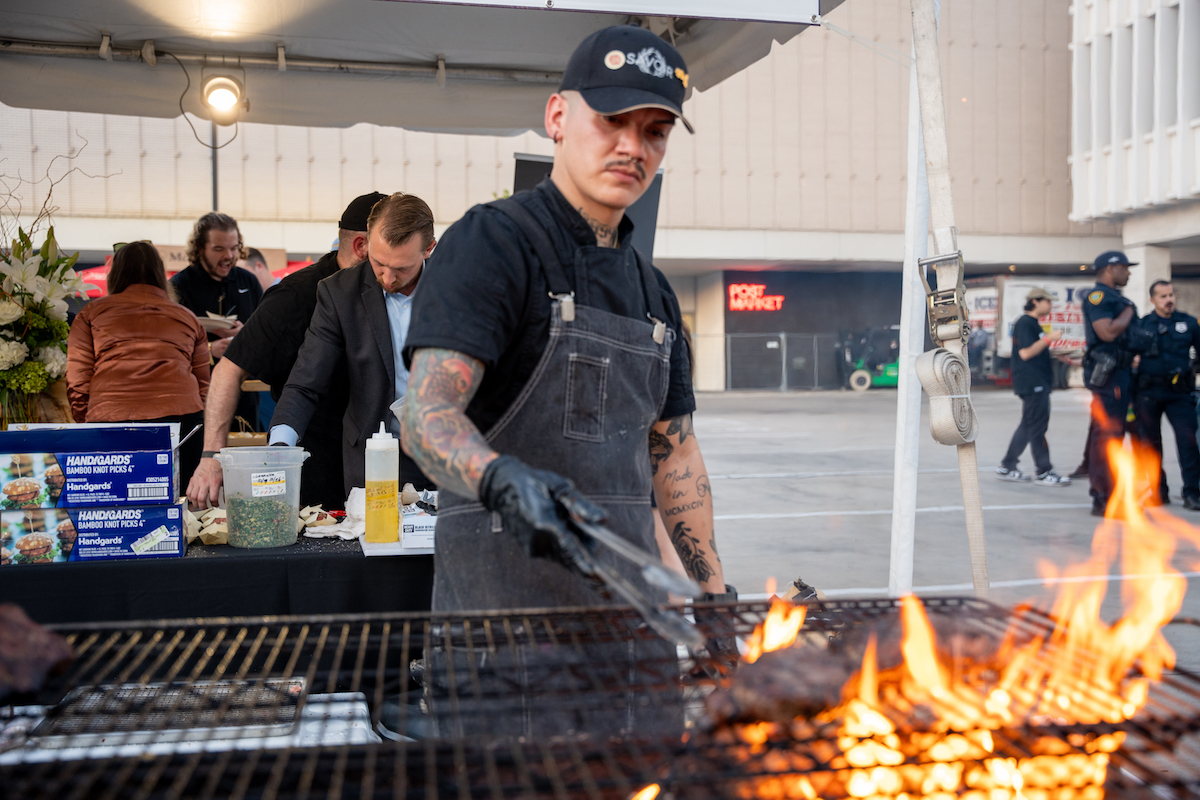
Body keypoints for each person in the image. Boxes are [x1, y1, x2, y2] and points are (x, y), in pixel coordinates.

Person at [400, 26, 728, 737]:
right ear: (557, 117)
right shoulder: (492, 244)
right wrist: (500, 479)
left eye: (655, 129)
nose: (631, 146)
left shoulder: (655, 293)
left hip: (629, 651)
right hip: (499, 643)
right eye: (611, 120)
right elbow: (424, 414)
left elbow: (674, 454)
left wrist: (711, 595)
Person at [186, 194, 385, 510]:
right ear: (361, 246)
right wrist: (211, 456)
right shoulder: (296, 296)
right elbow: (230, 367)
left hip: (378, 459)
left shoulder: (392, 291)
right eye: (389, 254)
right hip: (311, 465)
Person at [268, 193, 436, 495]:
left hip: (451, 456)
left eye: (402, 268)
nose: (387, 277)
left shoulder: (463, 289)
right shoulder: (339, 293)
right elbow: (306, 382)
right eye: (379, 262)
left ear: (429, 250)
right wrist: (281, 444)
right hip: (373, 459)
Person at [66, 242, 210, 488]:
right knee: (181, 504)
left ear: (116, 273)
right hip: (182, 420)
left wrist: (90, 421)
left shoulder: (90, 313)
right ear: (159, 273)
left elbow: (77, 381)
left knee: (113, 499)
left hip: (111, 420)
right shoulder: (188, 317)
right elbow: (205, 386)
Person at [171, 212, 263, 429]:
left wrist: (245, 335)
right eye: (219, 249)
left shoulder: (248, 281)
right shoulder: (179, 287)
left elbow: (266, 336)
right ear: (200, 248)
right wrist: (210, 349)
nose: (229, 256)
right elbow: (170, 349)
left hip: (245, 397)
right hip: (197, 399)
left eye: (233, 248)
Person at [1082, 250, 1141, 516]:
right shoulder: (1100, 297)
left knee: (1112, 435)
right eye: (1125, 268)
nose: (1128, 272)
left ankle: (1108, 494)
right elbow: (1105, 332)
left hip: (1121, 374)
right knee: (1108, 437)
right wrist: (1128, 311)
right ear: (1110, 268)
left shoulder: (1115, 297)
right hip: (1110, 378)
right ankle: (1104, 497)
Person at [1132, 280, 1200, 509]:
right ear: (1153, 300)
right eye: (1163, 296)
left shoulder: (1189, 323)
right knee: (1150, 445)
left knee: (1188, 442)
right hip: (1148, 392)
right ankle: (1157, 491)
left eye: (1171, 295)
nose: (1168, 299)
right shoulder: (1142, 325)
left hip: (1179, 393)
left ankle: (1192, 493)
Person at [996, 287, 1070, 486]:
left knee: (1030, 425)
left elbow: (1033, 351)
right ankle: (1043, 471)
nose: (1050, 305)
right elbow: (1025, 353)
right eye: (1048, 301)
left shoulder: (1032, 324)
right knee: (1036, 427)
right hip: (1032, 382)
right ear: (1035, 301)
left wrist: (1054, 353)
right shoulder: (1026, 322)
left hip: (1037, 381)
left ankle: (1008, 465)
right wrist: (1048, 339)